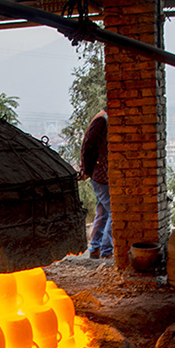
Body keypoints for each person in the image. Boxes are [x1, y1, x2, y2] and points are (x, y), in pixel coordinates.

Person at [79, 106, 112, 259]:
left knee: (103, 212)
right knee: (114, 213)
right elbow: (89, 145)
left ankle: (95, 248)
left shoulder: (101, 118)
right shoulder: (102, 120)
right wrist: (87, 169)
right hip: (101, 174)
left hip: (100, 173)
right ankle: (107, 251)